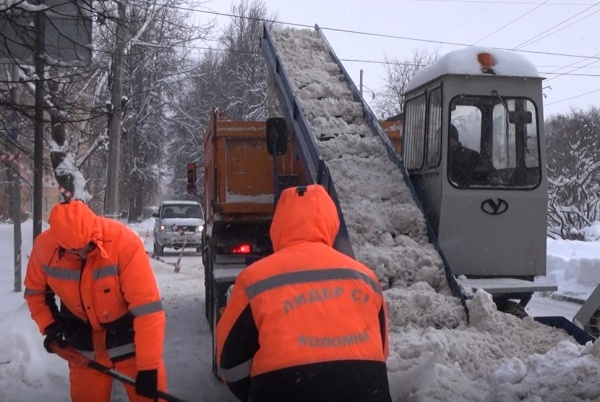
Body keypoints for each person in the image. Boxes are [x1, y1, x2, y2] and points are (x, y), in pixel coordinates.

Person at [216, 184, 392, 402]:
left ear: (279, 224)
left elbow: (229, 362)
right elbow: (381, 350)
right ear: (331, 223)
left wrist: (259, 390)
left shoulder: (254, 280)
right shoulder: (366, 278)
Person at [23, 200, 168, 402]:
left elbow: (147, 309)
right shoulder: (44, 248)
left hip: (128, 340)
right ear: (60, 245)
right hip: (83, 346)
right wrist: (50, 326)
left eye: (88, 246)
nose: (84, 254)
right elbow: (35, 293)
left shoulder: (123, 243)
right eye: (76, 251)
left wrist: (149, 366)